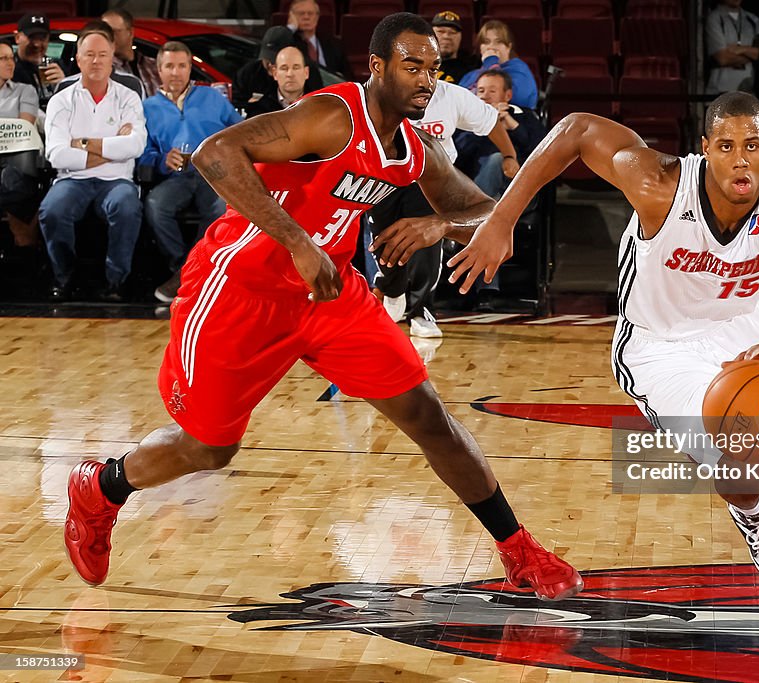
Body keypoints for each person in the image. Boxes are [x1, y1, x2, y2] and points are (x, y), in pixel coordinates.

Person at [63, 13, 582, 604]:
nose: (425, 80)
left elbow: (485, 209)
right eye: (411, 66)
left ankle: (517, 549)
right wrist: (298, 242)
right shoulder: (332, 115)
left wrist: (438, 224)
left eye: (433, 70)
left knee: (427, 415)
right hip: (241, 290)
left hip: (331, 295)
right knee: (210, 447)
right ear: (378, 67)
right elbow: (215, 154)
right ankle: (101, 487)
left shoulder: (414, 147)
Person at [449, 92, 759, 632]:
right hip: (663, 344)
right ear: (705, 149)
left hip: (755, 334)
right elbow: (575, 128)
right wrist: (503, 217)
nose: (740, 159)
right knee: (734, 449)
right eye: (726, 146)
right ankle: (755, 516)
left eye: (753, 146)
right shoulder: (659, 184)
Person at [366, 77, 518, 337]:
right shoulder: (381, 94)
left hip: (433, 179)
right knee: (384, 239)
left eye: (431, 67)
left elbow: (491, 121)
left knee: (428, 244)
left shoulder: (452, 96)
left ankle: (421, 309)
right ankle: (391, 287)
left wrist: (509, 155)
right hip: (386, 175)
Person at [39, 24, 145, 302]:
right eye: (89, 55)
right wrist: (113, 148)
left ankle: (115, 282)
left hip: (117, 180)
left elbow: (135, 146)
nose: (96, 61)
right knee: (52, 210)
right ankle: (65, 277)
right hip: (71, 179)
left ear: (113, 57)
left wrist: (82, 143)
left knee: (126, 207)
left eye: (102, 54)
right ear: (78, 58)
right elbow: (57, 155)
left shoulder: (129, 97)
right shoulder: (61, 100)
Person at [140, 41, 243, 303]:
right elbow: (144, 152)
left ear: (190, 69)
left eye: (182, 66)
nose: (176, 72)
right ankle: (185, 269)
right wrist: (163, 160)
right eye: (169, 66)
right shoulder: (147, 107)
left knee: (219, 208)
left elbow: (239, 131)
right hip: (176, 176)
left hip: (214, 173)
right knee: (155, 205)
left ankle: (191, 272)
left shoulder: (212, 98)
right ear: (159, 70)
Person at [456, 69, 545, 200]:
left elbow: (541, 152)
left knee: (499, 159)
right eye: (480, 91)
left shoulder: (525, 116)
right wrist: (486, 126)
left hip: (516, 183)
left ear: (507, 95)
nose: (485, 96)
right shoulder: (467, 119)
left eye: (492, 91)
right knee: (495, 160)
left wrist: (513, 126)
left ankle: (478, 209)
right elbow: (457, 155)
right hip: (473, 181)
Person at [0, 42, 42, 256]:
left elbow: (23, 128)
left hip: (17, 154)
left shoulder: (25, 90)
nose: (10, 63)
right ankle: (23, 233)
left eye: (11, 57)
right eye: (3, 58)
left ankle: (23, 236)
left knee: (14, 174)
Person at [232, 25, 323, 116]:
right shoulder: (248, 73)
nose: (270, 65)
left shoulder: (308, 72)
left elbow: (320, 102)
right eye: (267, 59)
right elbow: (236, 106)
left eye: (274, 60)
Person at [459, 20, 537, 110]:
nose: (491, 46)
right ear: (480, 48)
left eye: (498, 42)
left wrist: (491, 61)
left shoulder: (519, 69)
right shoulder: (471, 75)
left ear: (509, 47)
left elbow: (518, 99)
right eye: (486, 42)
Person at [704, 0, 759, 95]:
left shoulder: (753, 20)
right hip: (719, 93)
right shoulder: (715, 18)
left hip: (747, 93)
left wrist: (742, 49)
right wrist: (755, 54)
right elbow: (722, 58)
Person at [12, 13, 70, 110]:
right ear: (17, 37)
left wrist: (64, 85)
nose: (37, 44)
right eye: (32, 37)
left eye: (42, 38)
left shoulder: (57, 66)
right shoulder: (9, 69)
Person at [101, 8, 161, 98]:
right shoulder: (103, 70)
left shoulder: (154, 66)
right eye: (104, 32)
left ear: (130, 32)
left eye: (114, 31)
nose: (109, 36)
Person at [287, 0, 350, 78]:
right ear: (292, 16)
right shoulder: (288, 42)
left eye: (310, 13)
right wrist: (291, 27)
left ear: (317, 17)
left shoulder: (333, 43)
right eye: (301, 13)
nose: (306, 17)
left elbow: (348, 76)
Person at [244, 46, 308, 117]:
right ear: (275, 73)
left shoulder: (319, 106)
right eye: (284, 68)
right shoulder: (259, 111)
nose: (290, 74)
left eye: (296, 68)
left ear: (306, 73)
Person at [432, 10, 476, 84]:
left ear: (461, 37)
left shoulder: (470, 70)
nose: (446, 36)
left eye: (453, 32)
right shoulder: (420, 66)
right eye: (441, 31)